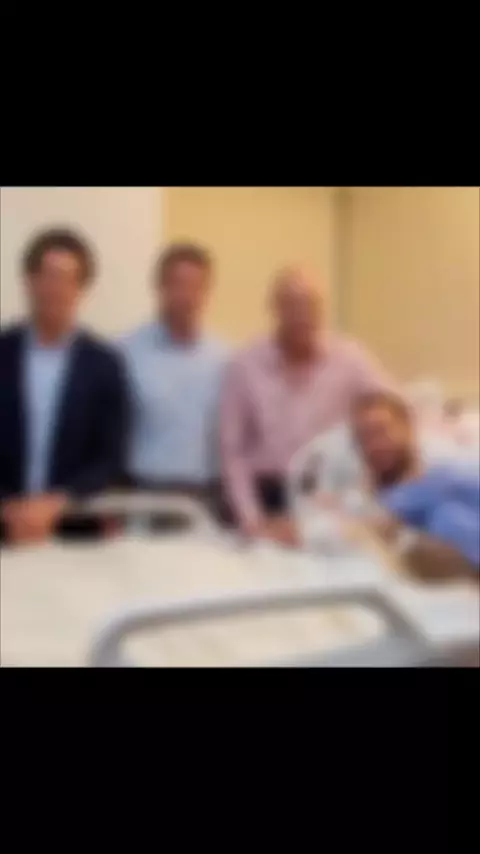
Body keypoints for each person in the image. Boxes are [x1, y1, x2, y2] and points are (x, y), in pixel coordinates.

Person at [220, 267, 394, 542]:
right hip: (267, 499)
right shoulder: (245, 364)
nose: (302, 314)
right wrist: (251, 519)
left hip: (325, 497)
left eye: (310, 304)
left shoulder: (350, 360)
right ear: (274, 308)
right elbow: (233, 450)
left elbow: (396, 409)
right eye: (292, 304)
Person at [0, 228, 130, 545]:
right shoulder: (3, 352)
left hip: (74, 526)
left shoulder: (104, 364)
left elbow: (110, 456)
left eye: (66, 279)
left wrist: (55, 503)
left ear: (81, 289)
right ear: (29, 280)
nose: (54, 289)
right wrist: (9, 507)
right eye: (46, 276)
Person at [118, 242, 229, 516]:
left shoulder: (225, 359)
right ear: (159, 287)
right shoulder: (125, 352)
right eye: (177, 284)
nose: (186, 295)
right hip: (142, 493)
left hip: (206, 497)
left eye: (196, 286)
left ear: (207, 292)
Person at [350, 391, 480, 580]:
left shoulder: (449, 478)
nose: (374, 444)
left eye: (381, 431)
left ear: (407, 426)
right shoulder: (371, 498)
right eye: (364, 437)